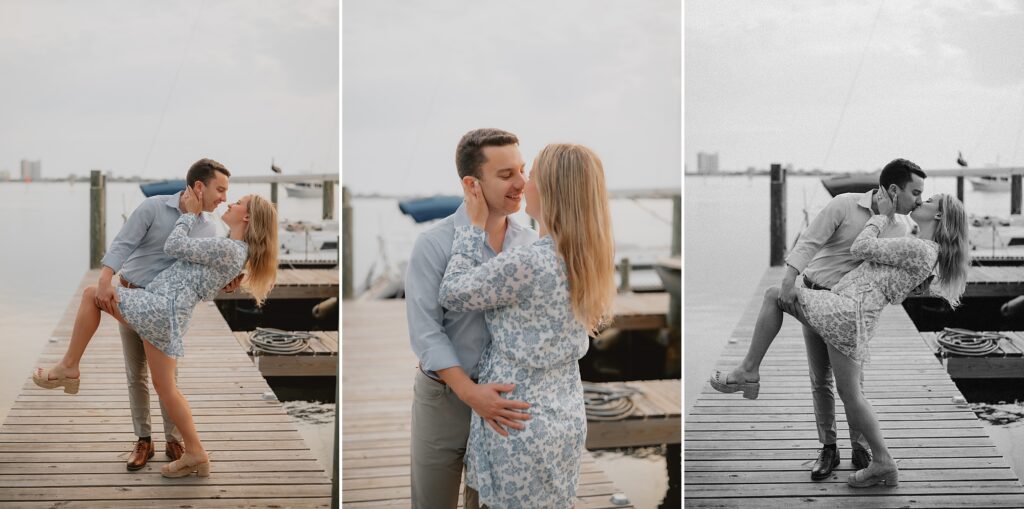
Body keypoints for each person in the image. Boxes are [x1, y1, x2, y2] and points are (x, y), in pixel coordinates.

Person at [710, 189, 970, 488]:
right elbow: (895, 290)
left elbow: (861, 248)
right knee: (850, 393)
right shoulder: (922, 248)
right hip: (852, 314)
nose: (921, 200)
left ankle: (748, 371)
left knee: (774, 296)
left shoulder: (922, 249)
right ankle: (878, 460)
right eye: (919, 194)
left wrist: (880, 217)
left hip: (845, 312)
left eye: (929, 200)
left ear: (938, 214)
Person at [32, 188, 279, 478]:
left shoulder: (229, 249)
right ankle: (196, 453)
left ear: (247, 216)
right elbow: (202, 283)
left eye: (237, 202)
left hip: (159, 308)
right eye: (225, 194)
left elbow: (173, 247)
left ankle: (69, 367)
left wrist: (188, 215)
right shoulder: (232, 249)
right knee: (167, 388)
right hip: (167, 312)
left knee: (91, 295)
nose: (229, 201)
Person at [439, 143, 616, 507]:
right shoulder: (587, 258)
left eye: (531, 174)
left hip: (518, 424)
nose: (524, 183)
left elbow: (453, 292)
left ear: (551, 189)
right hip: (564, 417)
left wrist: (473, 229)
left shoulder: (529, 262)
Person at [759, 159, 928, 480]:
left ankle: (860, 447)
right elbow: (808, 242)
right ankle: (828, 447)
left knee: (853, 384)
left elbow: (894, 274)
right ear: (894, 189)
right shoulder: (844, 205)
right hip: (813, 296)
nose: (918, 200)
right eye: (915, 192)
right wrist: (788, 281)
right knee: (819, 379)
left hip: (851, 311)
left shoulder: (903, 227)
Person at [406, 128, 537, 508]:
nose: (521, 183)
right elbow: (425, 332)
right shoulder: (433, 244)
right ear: (471, 183)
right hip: (445, 398)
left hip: (504, 401)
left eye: (522, 170)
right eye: (506, 174)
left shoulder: (530, 243)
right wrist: (469, 392)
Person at [90, 158, 240, 470]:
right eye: (220, 189)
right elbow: (122, 244)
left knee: (167, 378)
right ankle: (144, 439)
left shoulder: (211, 226)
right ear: (199, 186)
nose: (223, 196)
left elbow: (210, 265)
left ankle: (175, 440)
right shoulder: (154, 208)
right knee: (136, 375)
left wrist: (229, 279)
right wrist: (105, 280)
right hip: (130, 296)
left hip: (164, 308)